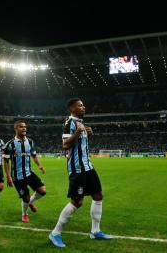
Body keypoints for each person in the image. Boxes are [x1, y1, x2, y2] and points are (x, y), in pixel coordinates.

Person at [49, 98, 111, 248]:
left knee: (98, 195)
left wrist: (88, 134)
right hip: (77, 168)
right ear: (72, 108)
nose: (83, 107)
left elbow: (80, 144)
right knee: (77, 202)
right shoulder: (69, 123)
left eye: (83, 104)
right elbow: (65, 145)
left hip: (88, 166)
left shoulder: (81, 123)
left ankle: (95, 231)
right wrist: (77, 133)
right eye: (80, 105)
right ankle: (55, 233)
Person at [3, 120, 46, 223]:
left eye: (25, 127)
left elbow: (34, 155)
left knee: (42, 191)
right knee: (25, 198)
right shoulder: (10, 144)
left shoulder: (30, 142)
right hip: (17, 176)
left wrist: (40, 165)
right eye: (21, 127)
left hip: (29, 172)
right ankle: (24, 214)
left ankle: (29, 202)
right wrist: (8, 176)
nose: (24, 128)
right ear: (16, 129)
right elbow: (6, 161)